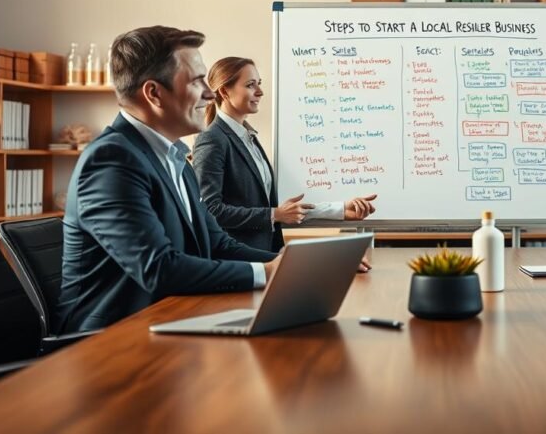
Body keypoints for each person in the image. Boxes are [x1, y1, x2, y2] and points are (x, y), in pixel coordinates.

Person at [57, 26, 286, 333]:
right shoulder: (111, 161)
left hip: (169, 323)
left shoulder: (176, 158)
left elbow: (218, 244)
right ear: (154, 93)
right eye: (196, 80)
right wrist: (265, 272)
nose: (209, 92)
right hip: (111, 343)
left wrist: (293, 266)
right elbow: (159, 269)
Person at [193, 57, 377, 256]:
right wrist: (274, 214)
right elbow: (210, 210)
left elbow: (275, 210)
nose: (260, 92)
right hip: (237, 260)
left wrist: (340, 209)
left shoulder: (248, 138)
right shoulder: (212, 139)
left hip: (262, 254)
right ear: (224, 91)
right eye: (250, 85)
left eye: (259, 84)